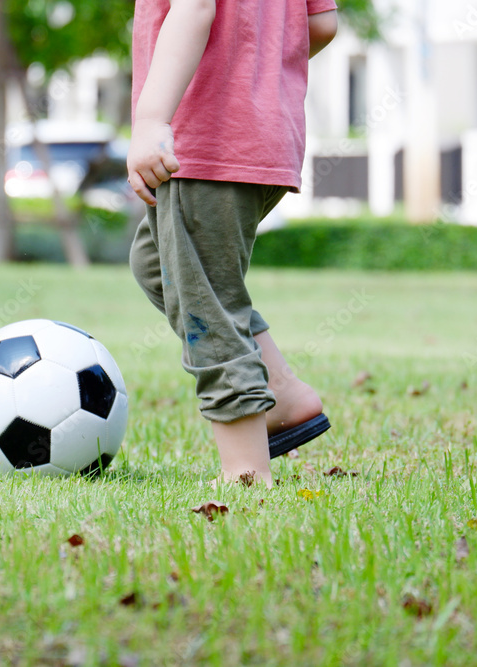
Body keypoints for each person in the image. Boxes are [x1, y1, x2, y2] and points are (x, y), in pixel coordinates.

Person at [127, 0, 339, 487]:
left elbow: (196, 6)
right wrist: (254, 71)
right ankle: (281, 390)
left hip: (204, 141)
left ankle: (245, 470)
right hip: (262, 136)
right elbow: (321, 23)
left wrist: (151, 120)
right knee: (155, 260)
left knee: (207, 302)